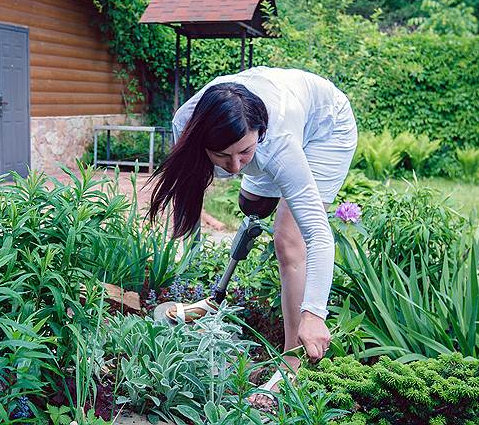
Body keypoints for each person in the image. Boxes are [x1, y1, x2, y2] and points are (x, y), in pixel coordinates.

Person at [147, 66, 357, 405]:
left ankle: (291, 364)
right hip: (277, 123)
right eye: (222, 156)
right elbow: (192, 178)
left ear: (259, 132)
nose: (234, 167)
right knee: (252, 204)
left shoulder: (278, 145)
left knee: (289, 238)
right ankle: (214, 298)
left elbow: (318, 234)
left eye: (244, 153)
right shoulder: (187, 123)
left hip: (325, 129)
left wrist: (314, 313)